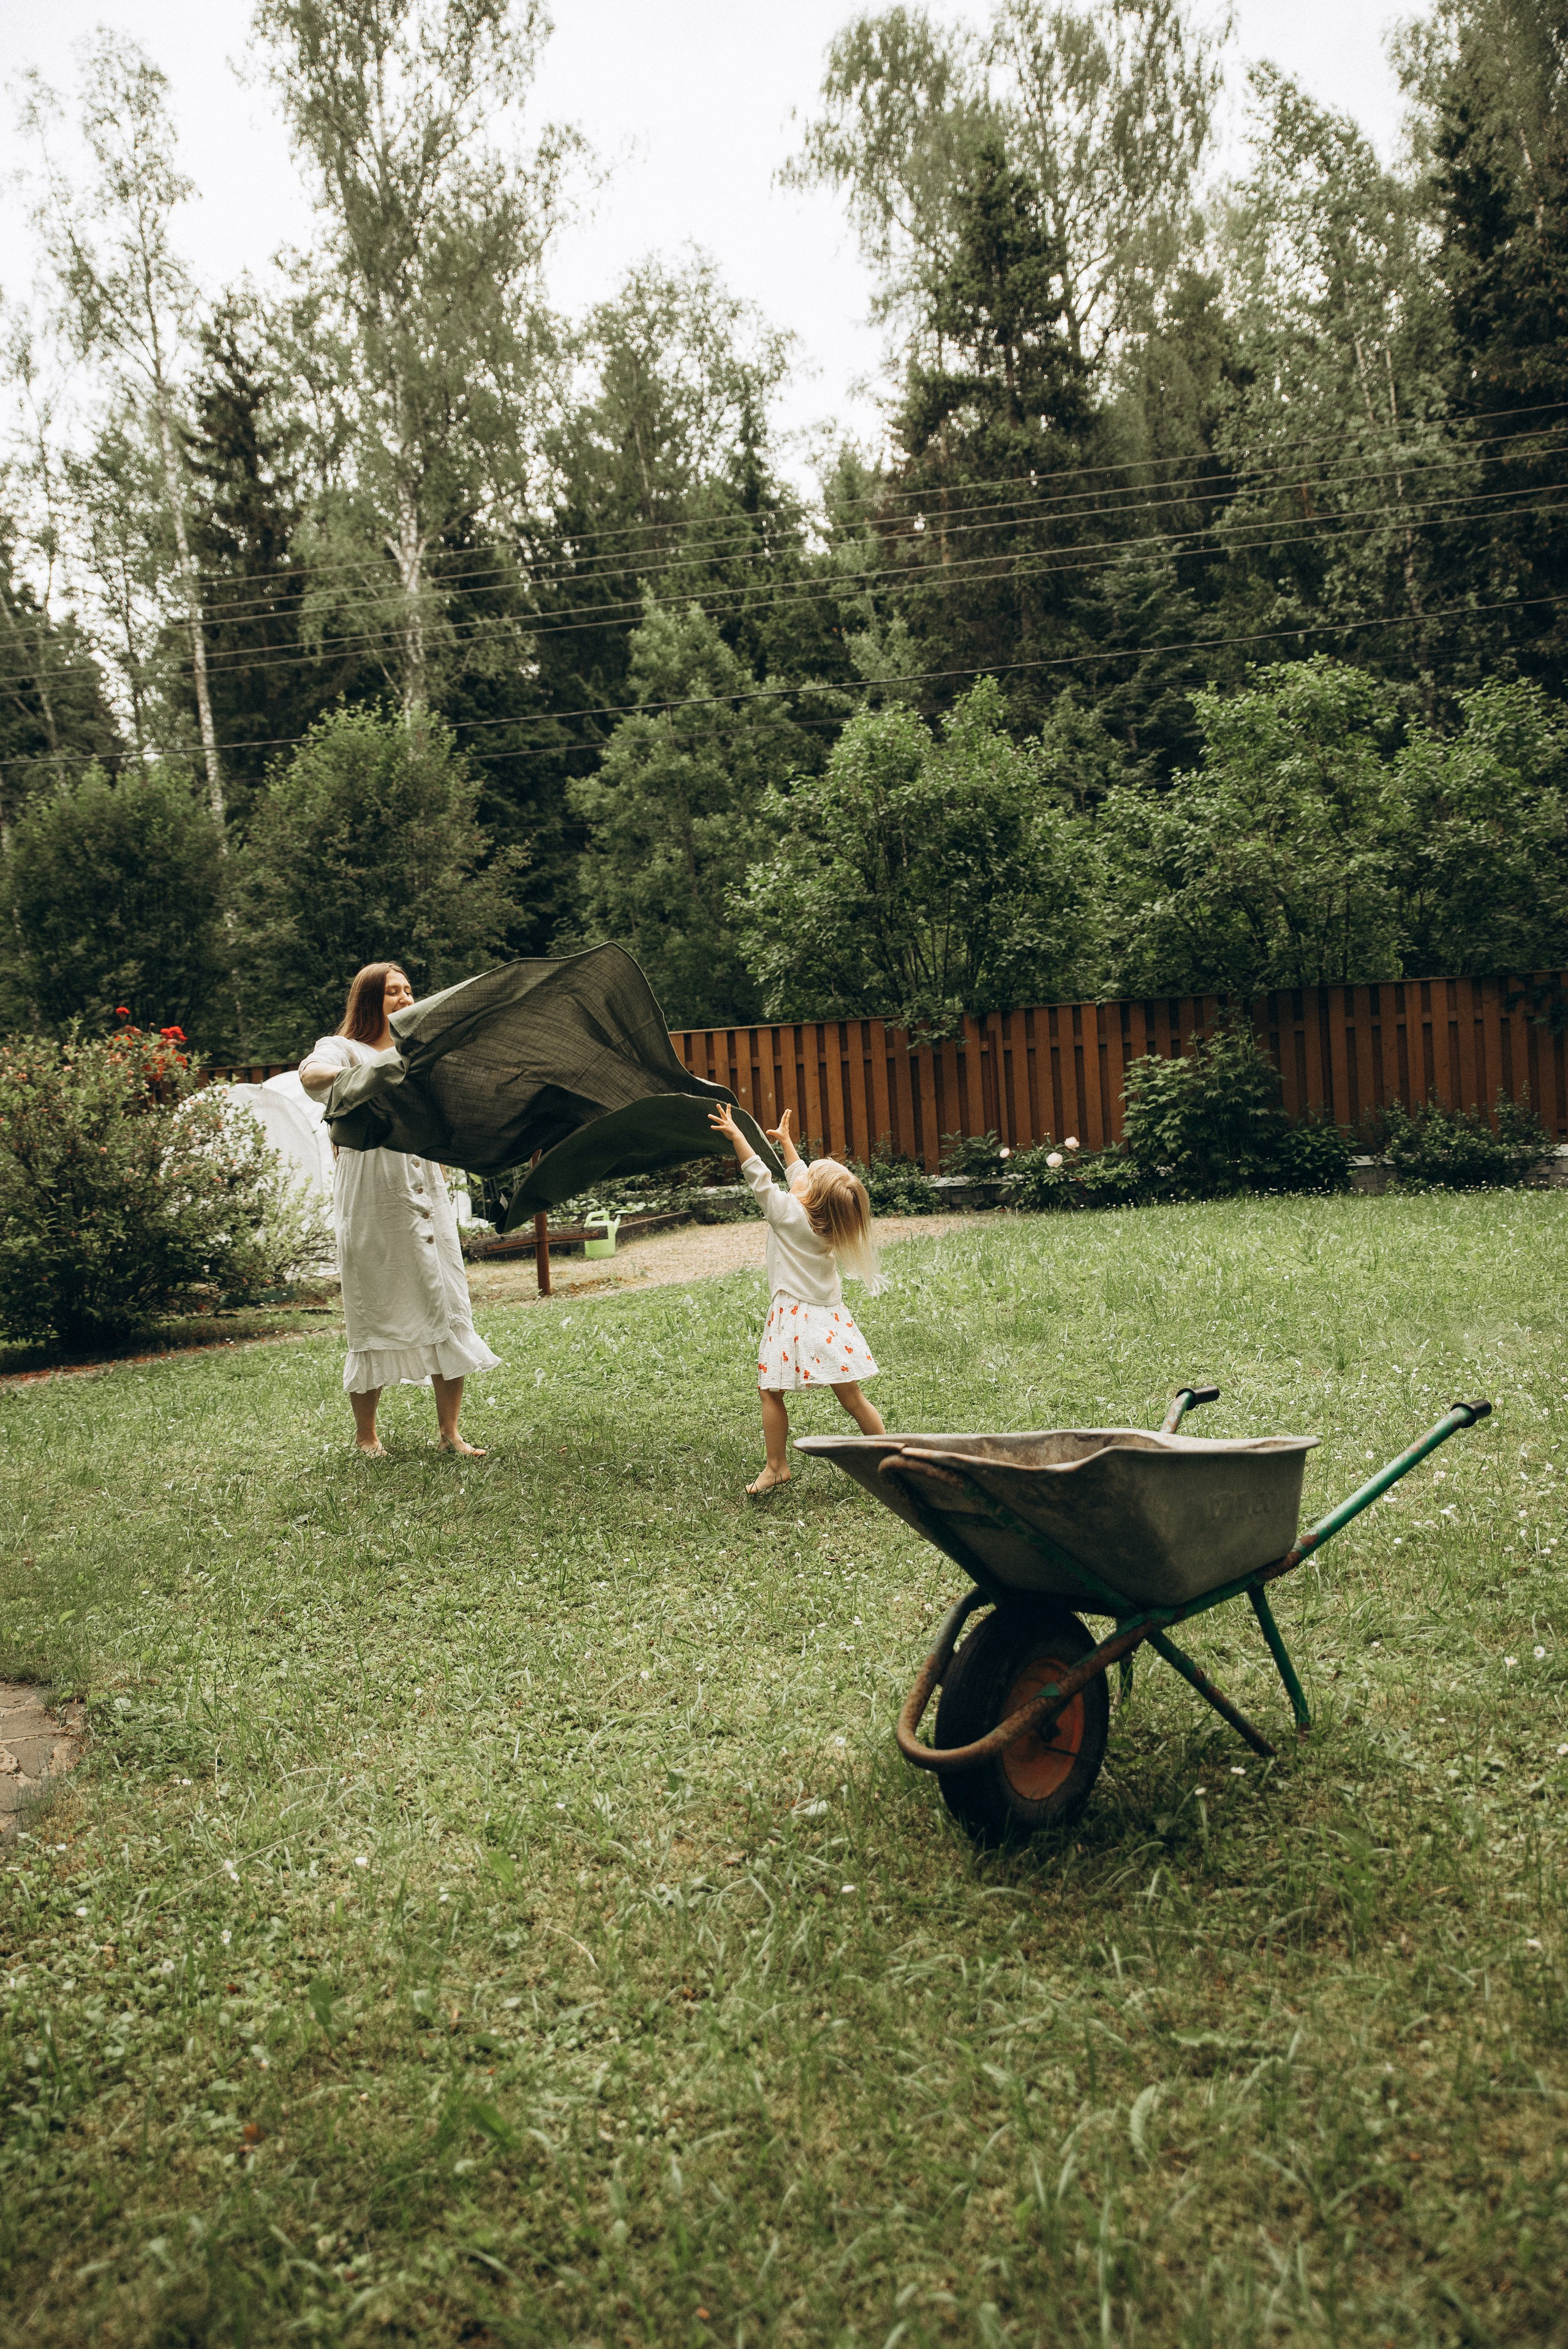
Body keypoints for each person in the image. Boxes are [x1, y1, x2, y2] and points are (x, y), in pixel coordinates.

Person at [299, 962, 499, 1457]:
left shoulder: (422, 1055)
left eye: (409, 990)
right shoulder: (342, 1047)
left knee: (448, 1302)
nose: (405, 998)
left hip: (427, 1190)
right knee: (373, 1305)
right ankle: (367, 1436)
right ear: (369, 1000)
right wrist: (375, 1070)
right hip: (372, 1191)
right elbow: (311, 1077)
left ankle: (450, 1433)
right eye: (392, 991)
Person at [708, 1102, 886, 1494]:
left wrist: (739, 1137)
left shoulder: (788, 1214)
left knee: (770, 1391)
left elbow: (760, 1179)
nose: (801, 1173)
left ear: (809, 1196)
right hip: (829, 1322)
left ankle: (776, 1467)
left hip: (794, 1319)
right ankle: (883, 1458)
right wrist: (788, 1144)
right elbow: (801, 1178)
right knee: (853, 1398)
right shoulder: (827, 1224)